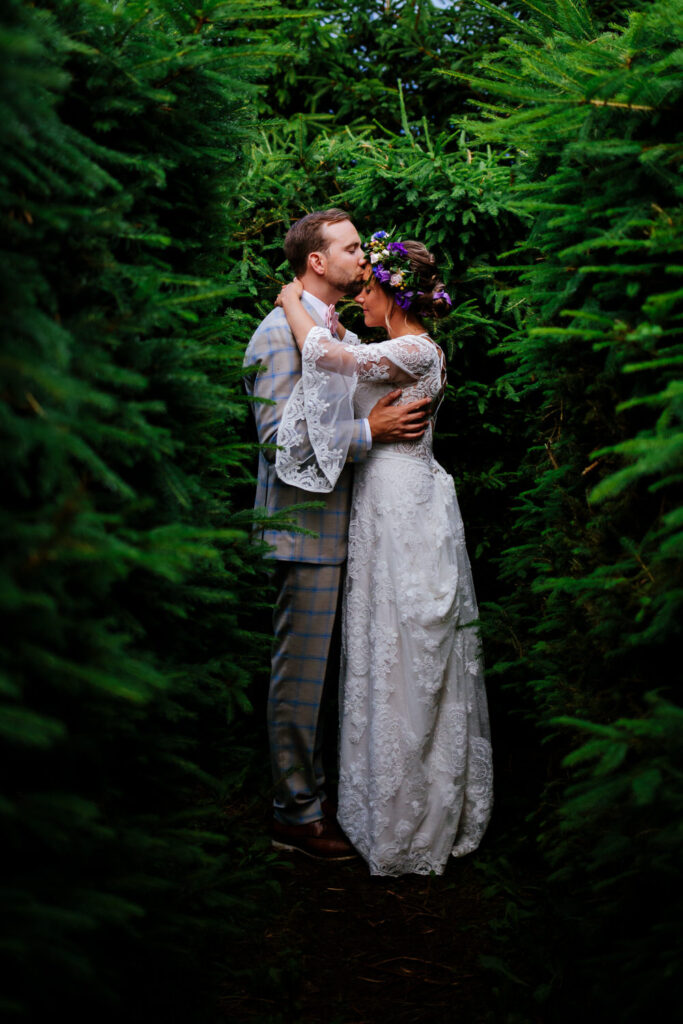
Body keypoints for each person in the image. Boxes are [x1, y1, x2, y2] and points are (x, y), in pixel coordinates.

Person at [275, 231, 493, 876]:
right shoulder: (395, 346)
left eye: (368, 288)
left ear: (393, 295)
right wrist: (337, 333)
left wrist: (294, 301)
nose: (359, 294)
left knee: (409, 645)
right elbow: (351, 355)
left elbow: (325, 355)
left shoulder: (417, 349)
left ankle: (412, 816)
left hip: (404, 510)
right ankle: (380, 805)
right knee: (379, 645)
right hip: (378, 506)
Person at [243, 211, 432, 860]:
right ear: (316, 262)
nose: (364, 256)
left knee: (332, 683)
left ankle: (331, 799)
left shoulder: (329, 329)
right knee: (299, 680)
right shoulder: (275, 337)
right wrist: (368, 434)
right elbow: (278, 445)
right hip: (304, 536)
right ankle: (294, 814)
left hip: (349, 529)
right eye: (352, 248)